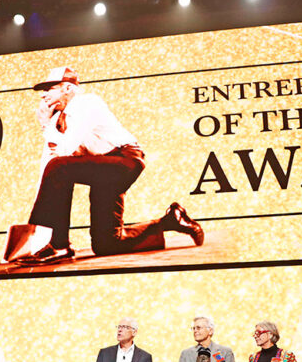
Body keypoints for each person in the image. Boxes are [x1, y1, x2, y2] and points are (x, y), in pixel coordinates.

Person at [17, 66, 204, 265]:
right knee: (106, 243)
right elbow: (54, 160)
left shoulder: (85, 103)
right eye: (43, 91)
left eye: (49, 89)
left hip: (124, 161)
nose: (43, 95)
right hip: (104, 167)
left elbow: (62, 156)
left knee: (59, 167)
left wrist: (46, 125)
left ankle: (59, 245)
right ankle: (172, 220)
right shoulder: (61, 119)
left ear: (68, 89)